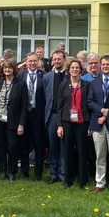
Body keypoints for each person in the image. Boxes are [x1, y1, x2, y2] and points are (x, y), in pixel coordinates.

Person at [57, 58, 92, 188]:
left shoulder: (87, 85)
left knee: (82, 151)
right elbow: (60, 107)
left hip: (82, 122)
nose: (75, 69)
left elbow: (89, 105)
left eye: (77, 67)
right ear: (68, 70)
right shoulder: (63, 85)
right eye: (72, 67)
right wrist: (59, 125)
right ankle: (68, 180)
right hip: (67, 122)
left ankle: (83, 180)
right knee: (68, 151)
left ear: (81, 70)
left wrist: (90, 125)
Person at [87, 54, 109, 194]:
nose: (105, 66)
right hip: (97, 123)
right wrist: (101, 110)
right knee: (100, 155)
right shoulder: (94, 83)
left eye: (108, 64)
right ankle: (100, 183)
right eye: (103, 64)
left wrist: (106, 115)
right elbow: (90, 101)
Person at [0, 59, 24, 181]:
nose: (7, 70)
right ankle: (2, 171)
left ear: (14, 69)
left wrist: (21, 124)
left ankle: (12, 172)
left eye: (10, 68)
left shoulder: (20, 84)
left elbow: (24, 106)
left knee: (12, 147)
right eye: (5, 68)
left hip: (13, 121)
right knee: (1, 147)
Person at [19, 53, 47, 181]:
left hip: (38, 114)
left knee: (38, 145)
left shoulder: (44, 76)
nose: (32, 63)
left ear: (38, 62)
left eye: (35, 61)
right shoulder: (20, 76)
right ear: (26, 62)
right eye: (30, 61)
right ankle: (24, 171)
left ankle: (38, 173)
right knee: (24, 144)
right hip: (24, 114)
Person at [42, 50, 68, 184]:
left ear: (64, 60)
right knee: (53, 146)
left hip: (66, 117)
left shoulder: (69, 76)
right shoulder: (47, 77)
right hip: (51, 116)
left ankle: (64, 174)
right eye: (55, 59)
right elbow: (43, 97)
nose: (57, 61)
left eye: (59, 59)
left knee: (64, 146)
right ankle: (54, 174)